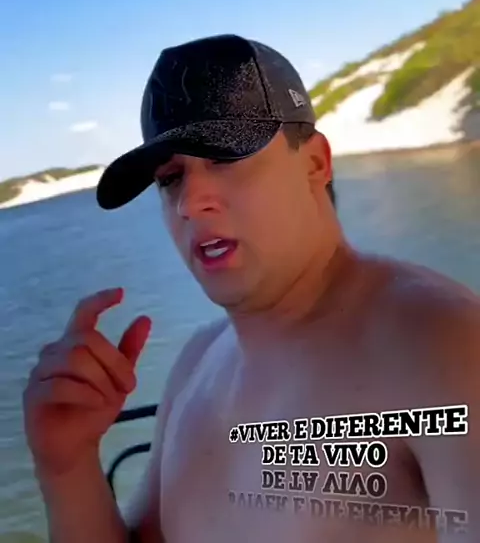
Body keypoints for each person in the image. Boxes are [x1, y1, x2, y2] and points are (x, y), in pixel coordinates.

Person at [23, 34, 480, 543]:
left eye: (224, 157)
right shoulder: (196, 363)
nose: (190, 202)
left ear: (315, 163)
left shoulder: (438, 344)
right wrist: (67, 467)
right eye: (171, 178)